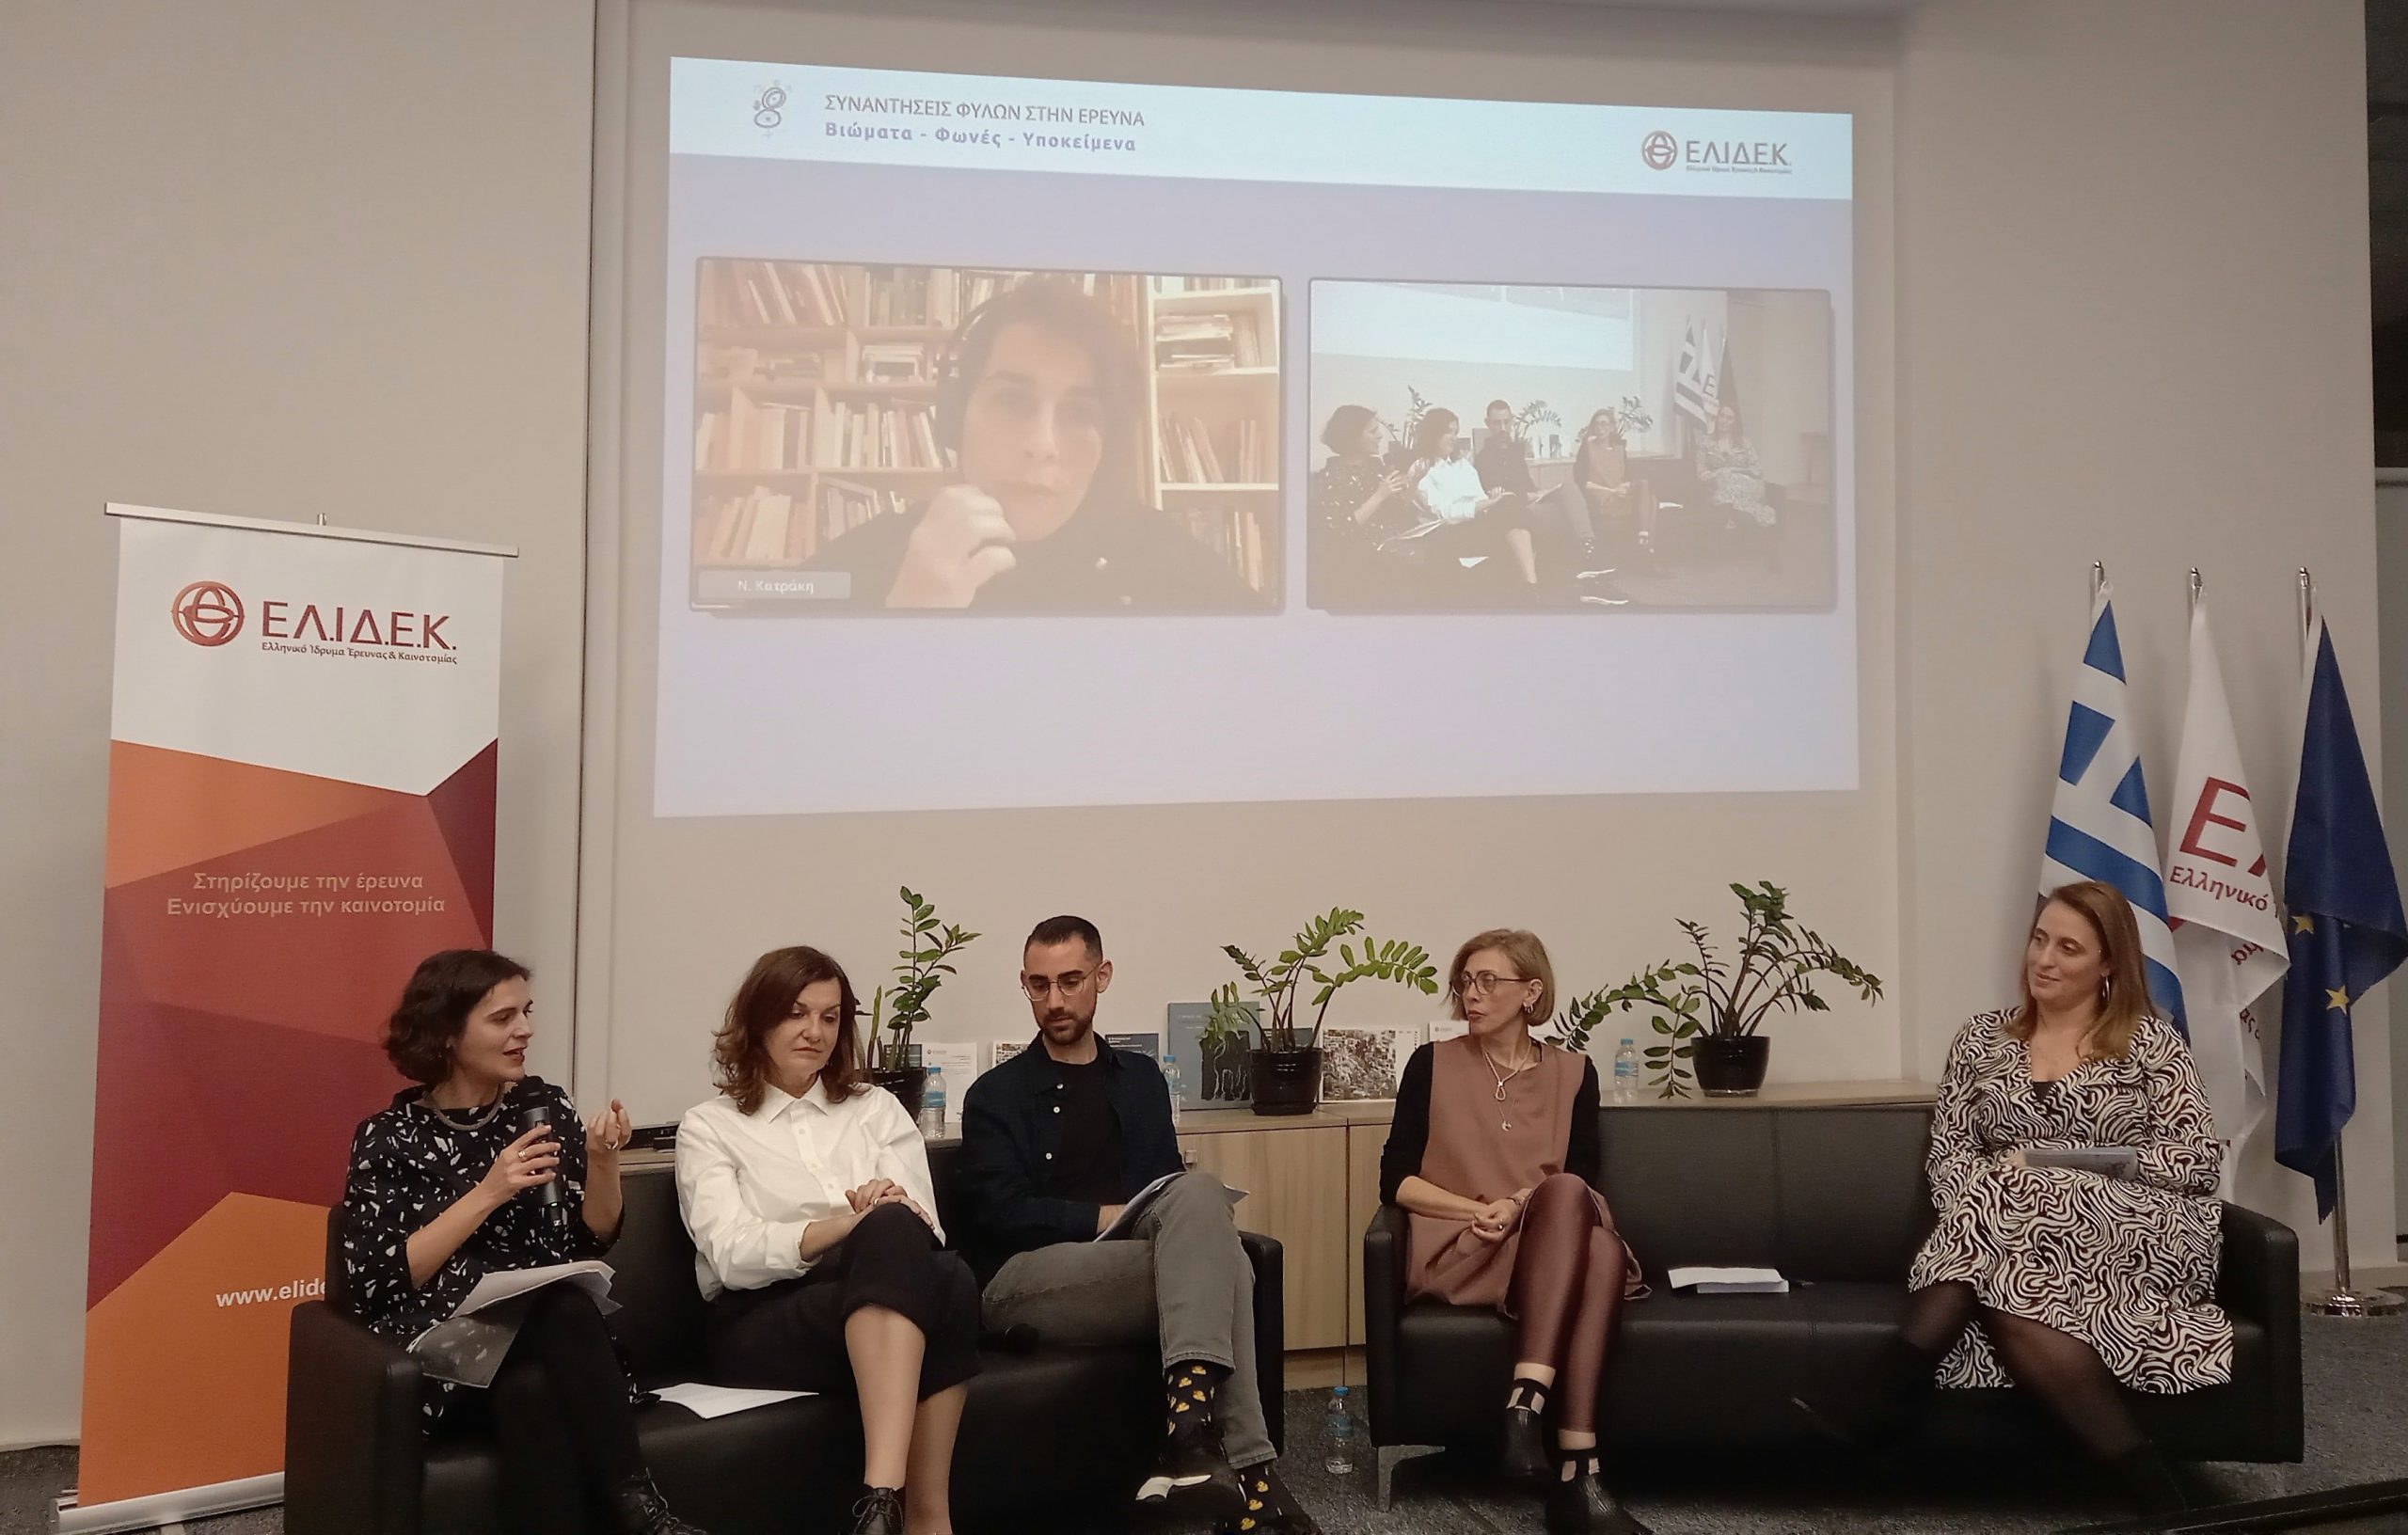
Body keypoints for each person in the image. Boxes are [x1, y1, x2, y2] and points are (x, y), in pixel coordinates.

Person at [1792, 880, 2230, 1515]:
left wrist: (2056, 1166)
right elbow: (1949, 1154)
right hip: (2013, 1240)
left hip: (2141, 1231)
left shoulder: (2151, 1044)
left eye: (2069, 949)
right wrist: (2005, 1195)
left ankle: (1887, 1393)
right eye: (2039, 940)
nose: (2044, 960)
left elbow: (2197, 1162)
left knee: (2017, 1180)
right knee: (2012, 1278)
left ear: (2108, 963)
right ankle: (2161, 1499)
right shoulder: (1981, 1040)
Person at [956, 916, 1320, 1535]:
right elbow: (1000, 1213)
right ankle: (1248, 1474)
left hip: (1126, 1265)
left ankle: (1194, 1443)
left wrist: (1146, 1216)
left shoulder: (1141, 1080)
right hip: (1025, 1279)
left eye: (1071, 981)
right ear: (1025, 984)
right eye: (1039, 985)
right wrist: (1104, 1217)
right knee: (1226, 1263)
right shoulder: (995, 1094)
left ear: (1102, 977)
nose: (1055, 1000)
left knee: (1199, 1194)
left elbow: (1167, 1193)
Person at [339, 950, 708, 1535]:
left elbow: (590, 1239)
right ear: (447, 1032)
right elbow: (376, 1280)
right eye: (503, 1018)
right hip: (440, 1349)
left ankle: (637, 1511)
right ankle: (639, 1510)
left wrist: (602, 1161)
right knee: (563, 1310)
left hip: (545, 1347)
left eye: (526, 1012)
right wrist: (490, 1191)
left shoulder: (542, 1107)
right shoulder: (390, 1137)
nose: (525, 1030)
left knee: (535, 1385)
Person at [676, 946, 981, 1535]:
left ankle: (881, 1503)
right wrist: (847, 1226)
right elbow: (733, 1255)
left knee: (926, 1254)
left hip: (879, 1292)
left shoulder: (876, 1109)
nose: (814, 1032)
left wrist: (886, 1208)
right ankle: (922, 1517)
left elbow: (928, 1229)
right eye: (796, 1013)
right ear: (759, 1019)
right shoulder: (710, 1126)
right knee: (944, 1281)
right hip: (761, 1316)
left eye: (829, 1017)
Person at [1380, 929, 1648, 1535]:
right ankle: (1577, 1465)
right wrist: (1477, 1212)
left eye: (1487, 981)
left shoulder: (1575, 1072)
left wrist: (1521, 1204)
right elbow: (1395, 1182)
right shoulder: (1431, 1064)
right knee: (1599, 1248)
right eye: (1464, 983)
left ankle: (1534, 1416)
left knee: (1580, 1213)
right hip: (1465, 1245)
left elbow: (1581, 1177)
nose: (1471, 995)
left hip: (1545, 1247)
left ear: (1531, 991)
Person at [806, 277, 1261, 612]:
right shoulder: (859, 562)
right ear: (956, 417)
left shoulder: (1179, 570)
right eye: (1011, 400)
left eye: (1080, 413)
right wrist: (905, 623)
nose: (1041, 445)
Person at [1403, 406, 1539, 594]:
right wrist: (1483, 505)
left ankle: (1530, 586)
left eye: (1455, 432)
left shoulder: (1462, 465)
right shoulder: (1421, 468)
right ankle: (1531, 586)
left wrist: (1492, 501)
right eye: (1447, 432)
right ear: (1433, 434)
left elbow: (1480, 497)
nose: (1453, 437)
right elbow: (1444, 514)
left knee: (1511, 506)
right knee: (1515, 518)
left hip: (1475, 522)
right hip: (1445, 532)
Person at [1307, 404, 1416, 606]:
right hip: (1359, 560)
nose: (1380, 436)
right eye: (1373, 431)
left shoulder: (1377, 468)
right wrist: (1380, 495)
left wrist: (1413, 482)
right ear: (1352, 437)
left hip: (1392, 548)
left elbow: (1398, 514)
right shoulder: (1330, 477)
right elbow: (1341, 529)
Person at [1573, 410, 1656, 559]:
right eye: (1597, 424)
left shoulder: (1619, 450)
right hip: (1603, 499)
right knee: (1651, 502)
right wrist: (1611, 491)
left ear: (1611, 427)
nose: (1600, 428)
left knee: (1648, 492)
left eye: (1604, 424)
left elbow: (1629, 478)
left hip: (1620, 497)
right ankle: (1646, 547)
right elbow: (1582, 483)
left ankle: (1644, 537)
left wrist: (1623, 488)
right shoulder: (1587, 449)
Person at [1694, 402, 1775, 530]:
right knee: (1725, 484)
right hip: (1718, 489)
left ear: (1735, 422)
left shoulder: (1745, 443)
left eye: (1729, 418)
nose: (1724, 421)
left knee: (1742, 494)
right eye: (1722, 416)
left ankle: (1737, 520)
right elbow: (1701, 472)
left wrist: (1734, 470)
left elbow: (1758, 470)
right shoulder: (1705, 442)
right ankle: (1733, 520)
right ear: (1717, 418)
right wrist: (1719, 474)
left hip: (1746, 489)